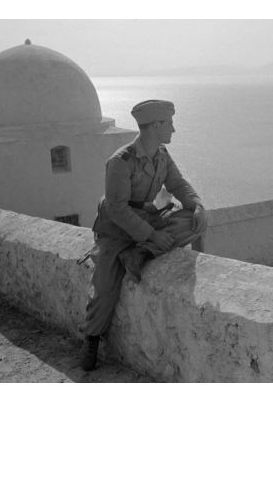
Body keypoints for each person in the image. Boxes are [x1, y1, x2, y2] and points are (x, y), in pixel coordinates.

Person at [80, 99, 207, 371]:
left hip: (146, 218)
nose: (173, 129)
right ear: (157, 125)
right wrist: (152, 235)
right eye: (169, 124)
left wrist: (196, 205)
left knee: (193, 221)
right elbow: (116, 209)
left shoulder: (161, 154)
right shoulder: (120, 162)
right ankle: (91, 337)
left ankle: (140, 253)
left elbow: (177, 183)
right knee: (104, 287)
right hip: (116, 229)